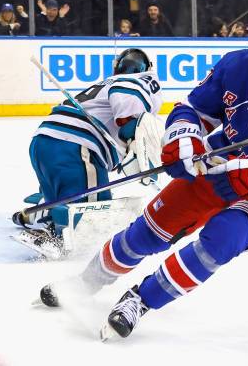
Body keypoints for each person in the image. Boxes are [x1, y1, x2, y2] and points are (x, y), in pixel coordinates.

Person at [38, 6, 248, 340]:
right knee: (148, 232)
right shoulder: (235, 67)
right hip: (222, 166)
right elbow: (192, 109)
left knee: (223, 237)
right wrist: (184, 134)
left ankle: (140, 300)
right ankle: (84, 284)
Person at [13, 49, 164, 259]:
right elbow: (128, 113)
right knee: (94, 213)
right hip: (76, 148)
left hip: (44, 143)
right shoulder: (135, 81)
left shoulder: (104, 84)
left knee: (82, 199)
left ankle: (41, 214)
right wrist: (134, 139)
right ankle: (52, 237)